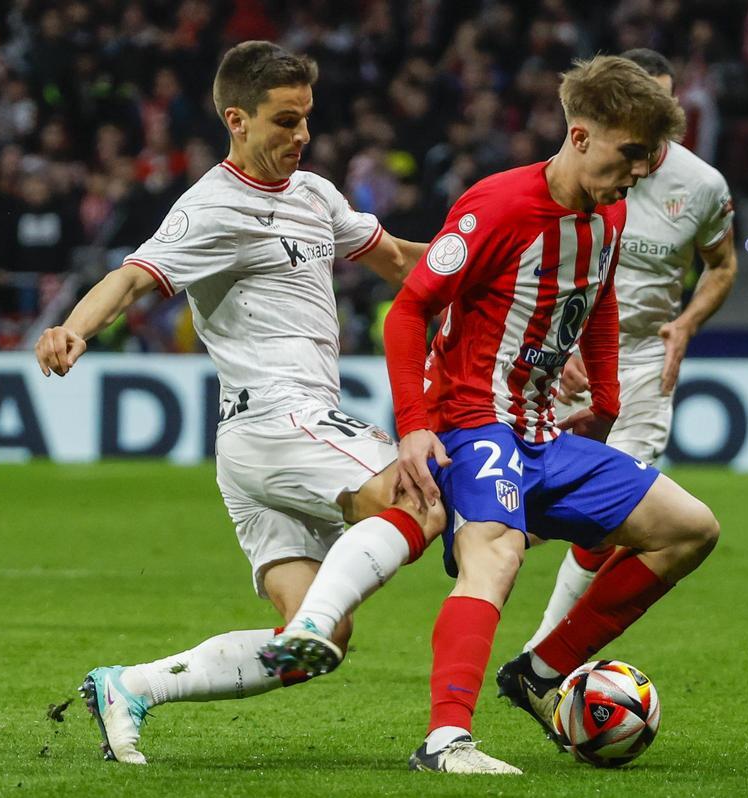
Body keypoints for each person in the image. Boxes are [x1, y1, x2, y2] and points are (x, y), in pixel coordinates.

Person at [261, 55, 719, 775]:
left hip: (542, 429)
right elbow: (409, 309)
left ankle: (541, 671)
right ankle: (445, 740)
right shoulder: (497, 205)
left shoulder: (611, 210)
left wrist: (604, 404)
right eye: (630, 154)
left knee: (689, 530)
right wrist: (414, 423)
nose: (637, 173)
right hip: (472, 420)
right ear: (580, 136)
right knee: (495, 554)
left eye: (649, 161)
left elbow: (597, 301)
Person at [34, 41, 444, 766]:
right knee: (414, 499)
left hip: (260, 445)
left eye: (307, 119)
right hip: (280, 420)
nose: (303, 136)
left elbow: (399, 261)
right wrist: (74, 327)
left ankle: (129, 686)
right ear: (238, 120)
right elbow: (132, 278)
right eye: (285, 121)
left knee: (320, 643)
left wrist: (483, 259)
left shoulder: (316, 195)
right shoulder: (212, 208)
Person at [523, 48, 738, 652]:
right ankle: (468, 536)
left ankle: (544, 653)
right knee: (534, 499)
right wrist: (551, 336)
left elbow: (722, 266)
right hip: (562, 360)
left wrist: (688, 322)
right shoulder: (580, 165)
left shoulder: (700, 186)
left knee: (618, 520)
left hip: (644, 362)